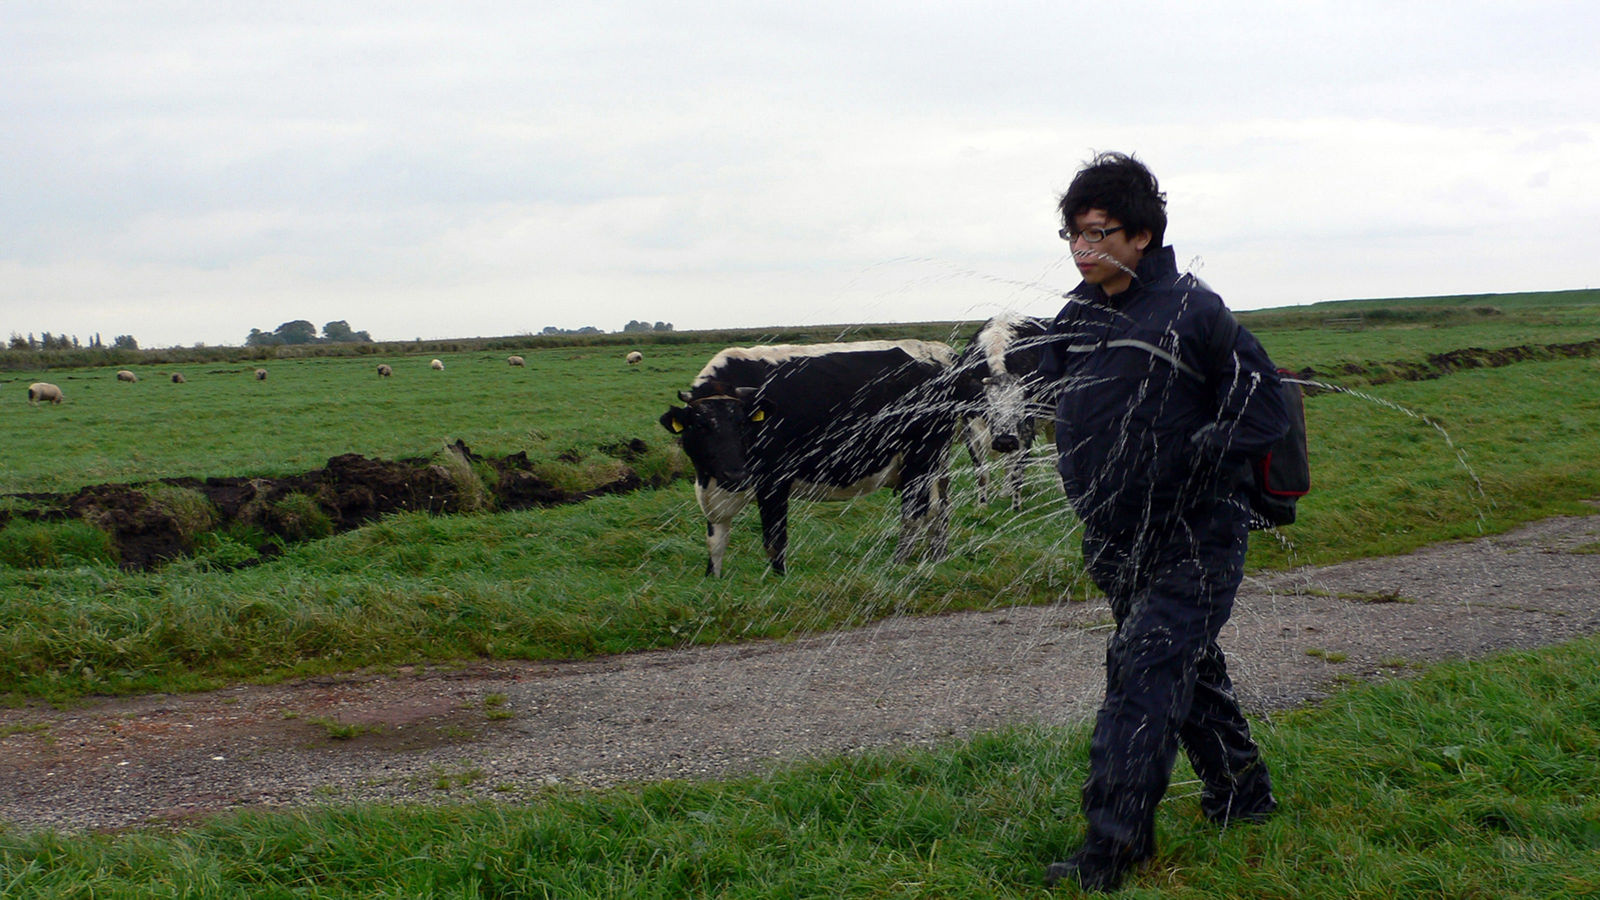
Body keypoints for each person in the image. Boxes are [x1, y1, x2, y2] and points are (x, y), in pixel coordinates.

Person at [1036, 152, 1290, 892]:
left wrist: (1205, 447)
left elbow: (1265, 408)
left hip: (1195, 535)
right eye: (1073, 238)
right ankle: (1243, 795)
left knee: (1143, 671)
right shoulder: (1078, 315)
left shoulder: (1193, 310)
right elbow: (1047, 386)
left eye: (1098, 233)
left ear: (1141, 235)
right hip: (1116, 539)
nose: (1084, 250)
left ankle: (1111, 851)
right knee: (1187, 669)